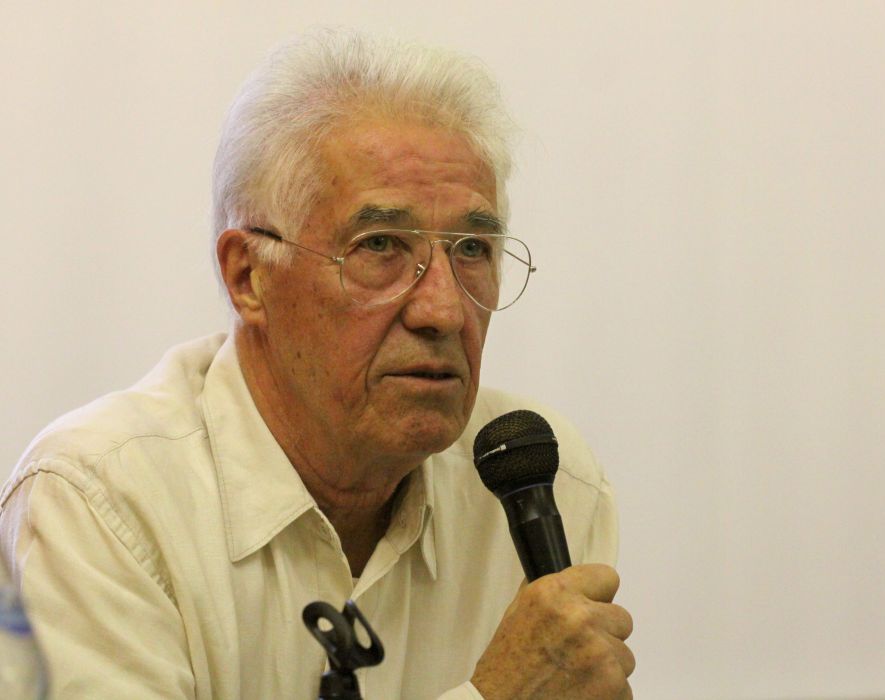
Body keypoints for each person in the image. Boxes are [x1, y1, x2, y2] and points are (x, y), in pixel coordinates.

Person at [0, 30, 634, 699]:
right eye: (380, 246)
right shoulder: (101, 502)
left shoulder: (541, 483)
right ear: (248, 276)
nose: (444, 311)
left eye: (472, 249)